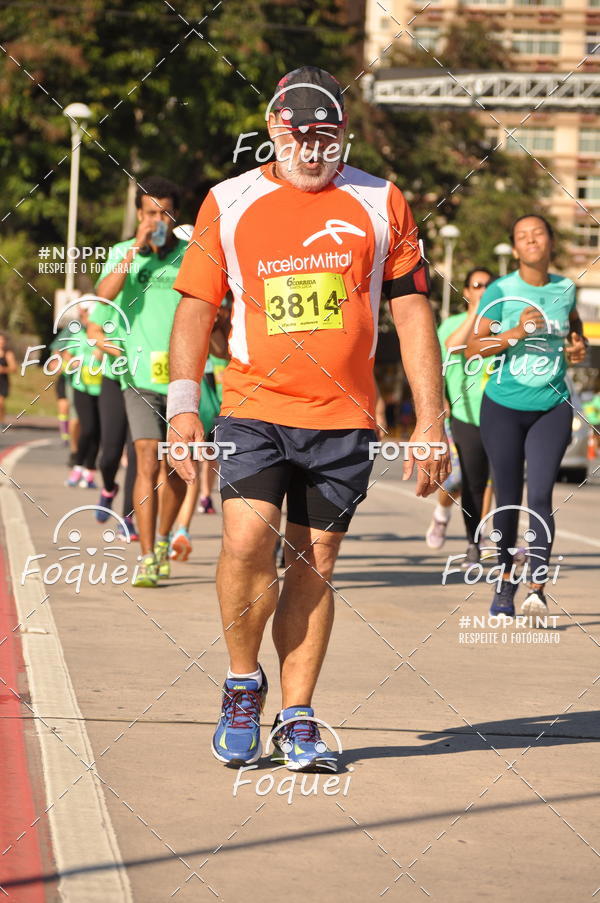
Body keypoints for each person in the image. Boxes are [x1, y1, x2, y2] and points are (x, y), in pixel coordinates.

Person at [166, 66, 450, 772]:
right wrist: (180, 405)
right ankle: (241, 684)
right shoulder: (227, 202)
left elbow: (412, 311)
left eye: (329, 136)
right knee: (247, 540)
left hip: (343, 417)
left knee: (315, 560)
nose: (315, 149)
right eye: (301, 135)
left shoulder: (382, 201)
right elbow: (197, 305)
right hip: (253, 407)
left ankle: (296, 716)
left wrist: (430, 419)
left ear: (345, 134)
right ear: (272, 131)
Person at [466, 214, 587, 618]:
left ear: (551, 242)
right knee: (508, 499)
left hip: (551, 405)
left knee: (539, 495)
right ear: (516, 249)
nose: (531, 240)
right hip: (502, 406)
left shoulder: (565, 288)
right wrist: (512, 333)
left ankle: (536, 586)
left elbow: (572, 329)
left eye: (538, 234)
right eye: (522, 236)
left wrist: (577, 346)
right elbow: (473, 349)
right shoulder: (501, 290)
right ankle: (503, 583)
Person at [95, 176, 188, 587]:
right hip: (139, 375)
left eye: (165, 212)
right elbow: (103, 295)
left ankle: (165, 537)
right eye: (151, 212)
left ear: (175, 215)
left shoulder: (190, 255)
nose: (158, 220)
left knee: (178, 468)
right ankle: (148, 556)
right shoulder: (123, 253)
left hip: (185, 378)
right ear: (139, 214)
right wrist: (136, 245)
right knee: (146, 460)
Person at [428, 268, 493, 563]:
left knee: (487, 480)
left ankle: (477, 540)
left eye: (488, 286)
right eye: (477, 285)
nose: (482, 289)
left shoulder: (499, 325)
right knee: (458, 479)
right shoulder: (452, 324)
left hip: (495, 415)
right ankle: (442, 513)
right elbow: (450, 348)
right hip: (461, 414)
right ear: (466, 292)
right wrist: (474, 314)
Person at [87, 298, 138, 540]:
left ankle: (127, 518)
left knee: (138, 452)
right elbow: (93, 333)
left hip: (144, 383)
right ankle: (109, 488)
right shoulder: (114, 296)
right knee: (109, 456)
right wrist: (121, 352)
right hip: (114, 379)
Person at [62, 301, 102, 489]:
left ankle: (90, 472)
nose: (85, 319)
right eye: (84, 316)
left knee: (98, 432)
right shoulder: (78, 334)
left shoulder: (105, 335)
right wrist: (74, 362)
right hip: (82, 387)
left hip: (102, 388)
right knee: (88, 428)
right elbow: (66, 355)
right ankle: (78, 466)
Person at [0, 333, 17, 423]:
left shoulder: (8, 354)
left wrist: (3, 369)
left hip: (2, 381)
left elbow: (14, 368)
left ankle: (1, 421)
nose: (1, 342)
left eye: (3, 341)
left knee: (1, 403)